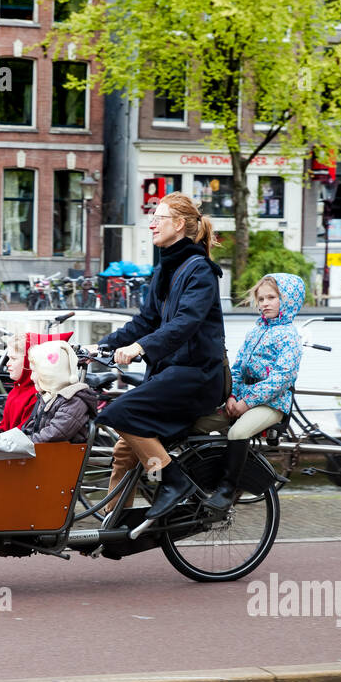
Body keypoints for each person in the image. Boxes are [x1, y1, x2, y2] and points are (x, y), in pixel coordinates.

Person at [88, 191, 226, 519]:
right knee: (124, 450)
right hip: (171, 375)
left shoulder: (200, 271)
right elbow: (145, 321)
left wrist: (141, 348)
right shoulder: (164, 270)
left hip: (197, 376)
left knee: (119, 413)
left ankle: (173, 482)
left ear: (178, 225)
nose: (151, 225)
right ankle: (114, 525)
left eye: (158, 219)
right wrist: (100, 347)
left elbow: (185, 323)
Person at [211, 273, 306, 501]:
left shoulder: (290, 337)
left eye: (271, 297)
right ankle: (213, 475)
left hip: (272, 403)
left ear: (288, 300)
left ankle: (228, 490)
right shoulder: (255, 331)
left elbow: (280, 378)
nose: (264, 303)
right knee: (200, 424)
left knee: (238, 432)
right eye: (261, 299)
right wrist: (232, 396)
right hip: (242, 399)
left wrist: (247, 403)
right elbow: (237, 367)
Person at [22, 340, 98, 444]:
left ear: (50, 374)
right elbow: (33, 427)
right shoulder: (48, 396)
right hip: (46, 452)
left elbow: (55, 434)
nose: (31, 377)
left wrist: (25, 442)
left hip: (61, 456)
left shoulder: (73, 401)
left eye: (35, 371)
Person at [0, 331, 74, 432]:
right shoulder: (15, 392)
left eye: (13, 358)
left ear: (29, 362)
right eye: (9, 358)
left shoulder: (36, 396)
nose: (7, 363)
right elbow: (3, 428)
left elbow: (24, 433)